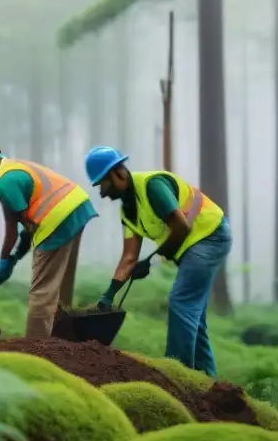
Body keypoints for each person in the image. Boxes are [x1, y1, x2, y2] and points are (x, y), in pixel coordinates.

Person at [85, 145, 232, 377]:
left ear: (118, 173)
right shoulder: (128, 212)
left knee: (180, 302)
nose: (102, 192)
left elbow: (181, 226)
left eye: (103, 183)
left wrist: (152, 260)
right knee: (194, 315)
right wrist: (108, 295)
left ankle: (176, 374)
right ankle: (208, 382)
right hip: (190, 247)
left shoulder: (152, 186)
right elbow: (129, 256)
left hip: (210, 235)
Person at [0, 141, 98, 339]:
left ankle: (37, 346)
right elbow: (22, 227)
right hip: (78, 207)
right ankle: (63, 337)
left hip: (56, 219)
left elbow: (20, 229)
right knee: (60, 283)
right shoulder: (17, 166)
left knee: (41, 291)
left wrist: (5, 261)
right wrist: (13, 257)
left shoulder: (6, 183)